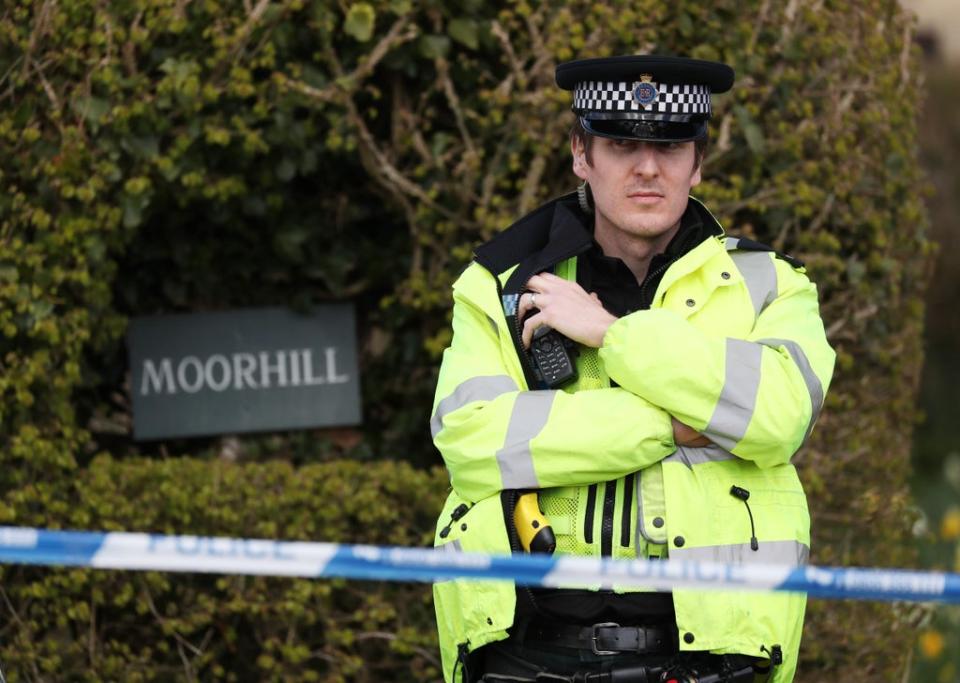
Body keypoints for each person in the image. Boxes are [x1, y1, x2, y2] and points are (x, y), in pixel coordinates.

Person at [430, 55, 835, 683]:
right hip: (524, 653)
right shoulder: (500, 282)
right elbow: (473, 441)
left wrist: (612, 335)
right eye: (622, 143)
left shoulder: (770, 285)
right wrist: (678, 424)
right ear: (580, 153)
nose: (648, 168)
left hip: (709, 657)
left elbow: (780, 416)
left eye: (670, 146)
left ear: (698, 161)